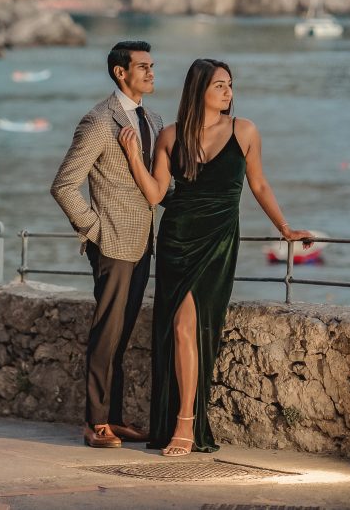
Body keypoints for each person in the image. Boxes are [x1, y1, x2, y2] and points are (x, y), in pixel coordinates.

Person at [117, 58, 313, 457]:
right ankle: (183, 424)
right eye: (220, 86)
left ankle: (185, 423)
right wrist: (134, 157)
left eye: (230, 85)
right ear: (199, 90)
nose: (228, 92)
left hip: (219, 242)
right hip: (177, 240)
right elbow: (156, 196)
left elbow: (258, 183)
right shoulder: (171, 137)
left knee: (195, 327)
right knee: (182, 327)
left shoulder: (245, 130)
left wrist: (285, 229)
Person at [50, 40, 163, 448]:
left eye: (152, 66)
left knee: (123, 334)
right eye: (143, 66)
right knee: (106, 333)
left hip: (143, 244)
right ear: (121, 72)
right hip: (111, 244)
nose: (151, 73)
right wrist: (94, 230)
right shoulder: (99, 121)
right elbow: (64, 184)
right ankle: (94, 422)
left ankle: (114, 418)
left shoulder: (153, 118)